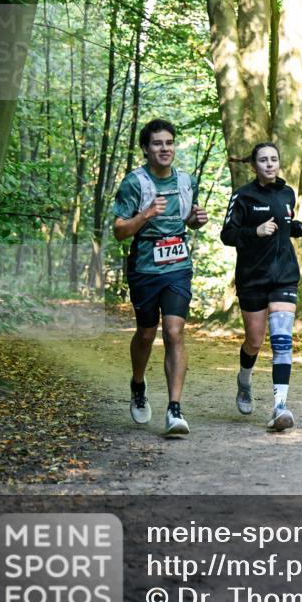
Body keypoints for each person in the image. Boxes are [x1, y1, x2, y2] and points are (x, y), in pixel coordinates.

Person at [113, 119, 208, 437]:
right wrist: (145, 214)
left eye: (169, 143)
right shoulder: (134, 183)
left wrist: (196, 220)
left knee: (174, 331)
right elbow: (119, 231)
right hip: (144, 268)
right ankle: (138, 384)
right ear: (145, 149)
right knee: (145, 334)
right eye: (157, 143)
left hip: (178, 266)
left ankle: (174, 409)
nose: (164, 148)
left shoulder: (186, 181)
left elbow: (188, 221)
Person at [220, 143, 302, 430]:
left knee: (283, 340)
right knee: (254, 341)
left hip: (284, 275)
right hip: (252, 278)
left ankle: (280, 407)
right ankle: (244, 380)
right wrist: (255, 231)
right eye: (263, 160)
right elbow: (227, 234)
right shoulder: (243, 196)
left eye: (274, 159)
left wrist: (301, 229)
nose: (270, 164)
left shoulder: (287, 193)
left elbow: (285, 226)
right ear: (254, 165)